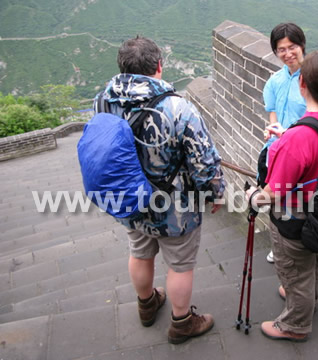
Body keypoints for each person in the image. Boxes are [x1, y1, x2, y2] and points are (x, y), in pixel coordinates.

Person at [95, 36, 225, 344]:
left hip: (129, 197)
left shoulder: (102, 100)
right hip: (174, 208)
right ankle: (181, 323)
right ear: (159, 66)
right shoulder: (178, 108)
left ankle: (147, 305)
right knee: (179, 264)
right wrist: (215, 193)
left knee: (139, 251)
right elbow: (204, 163)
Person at [246, 50, 318, 341]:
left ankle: (295, 325)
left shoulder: (298, 137)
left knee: (293, 269)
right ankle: (311, 299)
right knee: (312, 260)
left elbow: (273, 193)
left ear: (301, 83)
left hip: (295, 215)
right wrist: (286, 137)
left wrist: (253, 196)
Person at [262, 23, 307, 264]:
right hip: (277, 151)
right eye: (281, 49)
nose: (288, 53)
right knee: (277, 199)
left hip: (303, 152)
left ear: (302, 46)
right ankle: (278, 244)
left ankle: (303, 245)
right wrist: (272, 130)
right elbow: (273, 114)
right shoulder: (275, 81)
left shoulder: (313, 78)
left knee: (300, 200)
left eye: (292, 47)